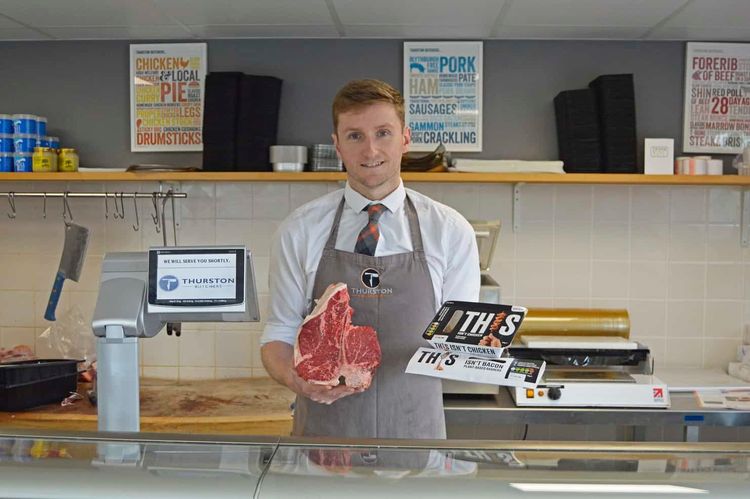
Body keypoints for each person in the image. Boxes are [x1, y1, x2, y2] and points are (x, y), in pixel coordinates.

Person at [260, 79, 480, 439]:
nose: (370, 149)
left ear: (405, 139)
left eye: (383, 133)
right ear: (337, 145)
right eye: (355, 136)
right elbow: (279, 333)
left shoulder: (450, 230)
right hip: (324, 439)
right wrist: (295, 380)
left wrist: (489, 356)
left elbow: (461, 342)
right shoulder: (300, 229)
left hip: (414, 439)